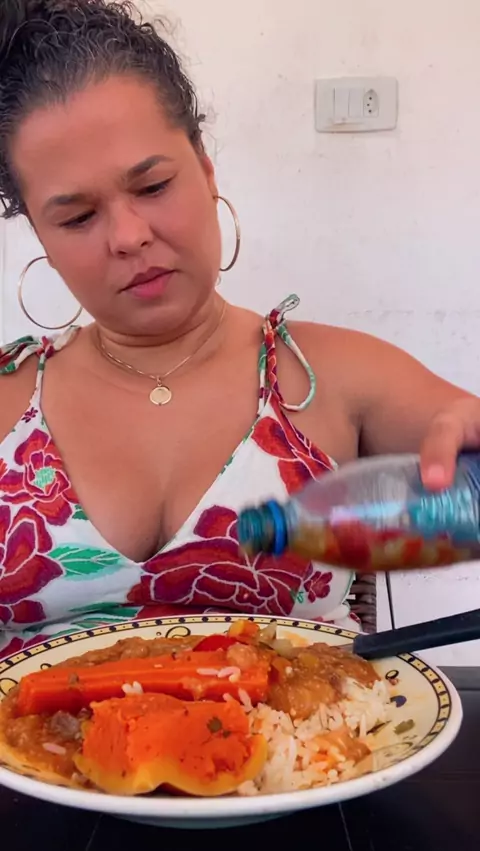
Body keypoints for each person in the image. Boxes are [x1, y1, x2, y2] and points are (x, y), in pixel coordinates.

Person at [0, 0, 479, 658]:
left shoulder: (338, 378)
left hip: (316, 723)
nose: (129, 236)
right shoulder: (8, 397)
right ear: (39, 236)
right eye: (77, 218)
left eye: (153, 185)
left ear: (205, 169)